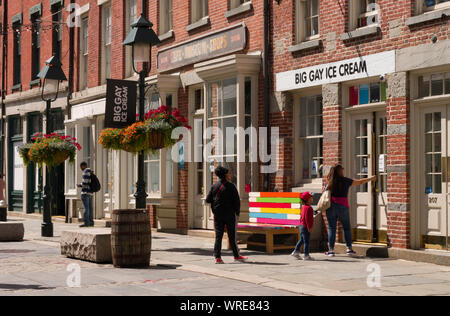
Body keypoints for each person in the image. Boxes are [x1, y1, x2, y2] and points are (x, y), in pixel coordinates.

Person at [325, 164, 376, 257]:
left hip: (331, 206)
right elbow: (360, 182)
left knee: (332, 228)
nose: (344, 170)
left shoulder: (329, 181)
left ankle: (331, 250)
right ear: (340, 171)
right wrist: (371, 178)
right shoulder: (346, 181)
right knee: (347, 228)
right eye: (343, 169)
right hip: (343, 206)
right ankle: (349, 249)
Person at [206, 166, 248, 264]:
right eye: (229, 173)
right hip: (229, 215)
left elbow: (208, 200)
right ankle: (236, 256)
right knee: (232, 236)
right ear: (225, 175)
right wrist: (237, 213)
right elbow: (237, 202)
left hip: (218, 215)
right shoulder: (231, 186)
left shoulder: (214, 186)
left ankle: (217, 257)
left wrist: (214, 208)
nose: (230, 175)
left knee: (218, 236)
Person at [291, 192, 315, 260]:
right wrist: (309, 227)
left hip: (301, 226)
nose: (312, 199)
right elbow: (307, 219)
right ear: (308, 199)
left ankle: (296, 251)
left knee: (302, 240)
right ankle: (306, 255)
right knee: (306, 241)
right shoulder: (309, 208)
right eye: (311, 197)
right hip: (305, 227)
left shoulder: (304, 207)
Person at [77, 162, 94, 227]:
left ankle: (86, 223)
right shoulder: (91, 172)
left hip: (85, 193)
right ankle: (91, 222)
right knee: (90, 208)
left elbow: (85, 183)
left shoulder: (85, 171)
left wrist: (79, 185)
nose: (81, 168)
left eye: (81, 167)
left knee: (86, 208)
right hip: (90, 193)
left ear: (83, 166)